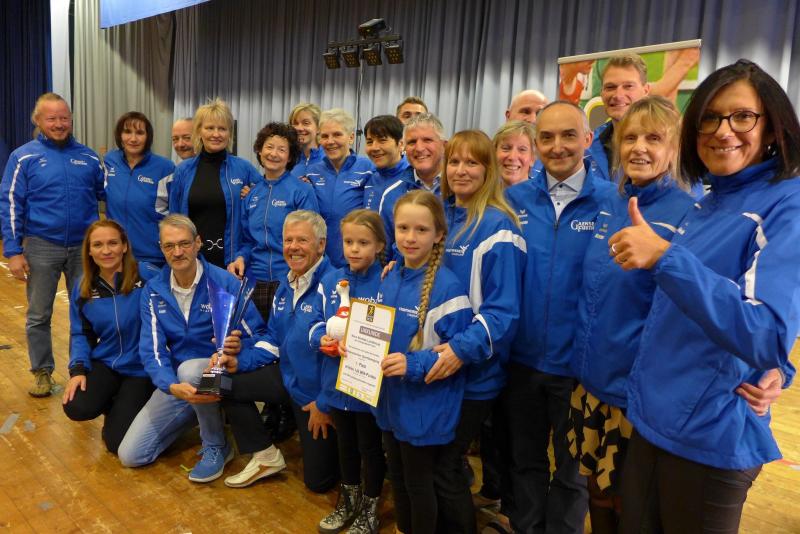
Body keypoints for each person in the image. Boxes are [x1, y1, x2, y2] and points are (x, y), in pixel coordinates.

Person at [616, 60, 800, 533]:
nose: (723, 131)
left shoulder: (787, 204)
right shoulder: (710, 200)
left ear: (773, 127)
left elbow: (767, 332)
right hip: (655, 417)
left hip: (709, 436)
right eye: (710, 118)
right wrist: (778, 369)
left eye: (742, 117)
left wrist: (665, 258)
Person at [566, 96, 695, 534]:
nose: (639, 147)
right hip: (592, 381)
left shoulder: (688, 213)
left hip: (635, 395)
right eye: (630, 138)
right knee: (595, 489)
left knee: (629, 502)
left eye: (653, 138)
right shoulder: (613, 201)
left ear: (675, 147)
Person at [505, 101, 616, 534]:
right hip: (522, 360)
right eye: (547, 137)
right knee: (525, 461)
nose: (557, 146)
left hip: (578, 367)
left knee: (572, 471)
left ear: (588, 139)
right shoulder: (513, 200)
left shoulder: (613, 202)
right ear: (535, 144)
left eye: (569, 135)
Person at [118, 214, 267, 484]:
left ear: (198, 243)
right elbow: (152, 351)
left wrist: (236, 349)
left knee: (190, 369)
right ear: (161, 249)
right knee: (131, 455)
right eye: (169, 246)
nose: (177, 252)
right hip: (181, 384)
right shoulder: (154, 291)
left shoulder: (224, 283)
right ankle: (199, 414)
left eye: (184, 244)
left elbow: (258, 336)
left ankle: (216, 444)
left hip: (220, 376)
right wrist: (171, 386)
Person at [435, 130, 526, 533]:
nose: (461, 170)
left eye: (471, 162)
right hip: (433, 367)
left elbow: (503, 312)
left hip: (473, 373)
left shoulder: (499, 227)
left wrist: (459, 351)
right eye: (454, 161)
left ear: (488, 170)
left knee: (445, 463)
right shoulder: (439, 217)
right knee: (434, 461)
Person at [217, 210, 340, 493]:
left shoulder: (335, 286)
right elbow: (273, 339)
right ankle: (265, 456)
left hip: (318, 396)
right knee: (221, 381)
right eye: (288, 240)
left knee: (319, 483)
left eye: (302, 240)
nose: (293, 247)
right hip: (289, 381)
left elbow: (343, 357)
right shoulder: (285, 284)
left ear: (321, 245)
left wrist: (324, 403)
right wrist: (239, 361)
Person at [375, 190, 473, 534]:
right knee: (398, 478)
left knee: (419, 484)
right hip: (391, 402)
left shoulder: (448, 289)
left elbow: (454, 356)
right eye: (403, 228)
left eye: (421, 230)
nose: (410, 238)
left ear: (439, 235)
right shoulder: (390, 276)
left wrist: (412, 365)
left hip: (425, 408)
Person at [0, 92, 105, 397]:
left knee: (85, 311)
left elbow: (108, 195)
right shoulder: (23, 157)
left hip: (84, 249)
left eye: (64, 118)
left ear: (71, 119)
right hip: (41, 245)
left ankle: (81, 370)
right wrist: (13, 251)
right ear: (38, 120)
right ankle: (42, 372)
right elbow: (10, 203)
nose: (59, 124)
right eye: (52, 118)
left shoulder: (88, 157)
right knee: (39, 315)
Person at [311, 209, 387, 534]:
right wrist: (322, 339)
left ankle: (370, 507)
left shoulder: (387, 281)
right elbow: (315, 323)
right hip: (336, 383)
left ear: (380, 245)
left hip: (368, 388)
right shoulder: (330, 281)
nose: (354, 249)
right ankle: (349, 500)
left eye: (363, 243)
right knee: (346, 446)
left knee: (370, 447)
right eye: (348, 242)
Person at [62, 220, 157, 455]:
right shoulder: (83, 287)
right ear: (89, 251)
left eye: (113, 243)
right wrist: (78, 370)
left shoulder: (147, 275)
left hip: (142, 370)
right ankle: (118, 405)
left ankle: (136, 405)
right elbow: (81, 333)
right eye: (98, 245)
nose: (106, 251)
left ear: (124, 246)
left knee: (116, 443)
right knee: (76, 405)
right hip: (108, 363)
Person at [229, 121, 319, 321]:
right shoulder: (252, 195)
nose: (274, 154)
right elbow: (247, 240)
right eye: (269, 147)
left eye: (281, 149)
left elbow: (312, 240)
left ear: (290, 157)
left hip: (290, 280)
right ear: (260, 151)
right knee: (257, 334)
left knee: (284, 335)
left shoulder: (301, 191)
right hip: (256, 281)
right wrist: (240, 258)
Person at [168, 98, 261, 268]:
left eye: (222, 129)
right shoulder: (183, 171)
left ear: (229, 133)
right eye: (210, 128)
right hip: (192, 263)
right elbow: (174, 220)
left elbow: (263, 209)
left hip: (233, 264)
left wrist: (252, 197)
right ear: (199, 131)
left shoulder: (244, 169)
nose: (216, 134)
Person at [104, 111, 175, 267]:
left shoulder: (165, 168)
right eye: (127, 132)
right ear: (120, 135)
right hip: (115, 254)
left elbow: (176, 213)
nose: (133, 138)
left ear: (148, 136)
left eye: (140, 133)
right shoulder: (110, 161)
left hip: (152, 256)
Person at [306, 108, 375, 268]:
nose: (330, 141)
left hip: (357, 261)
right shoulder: (312, 172)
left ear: (351, 137)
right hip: (321, 263)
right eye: (325, 136)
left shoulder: (368, 169)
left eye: (337, 134)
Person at [377, 113, 446, 258]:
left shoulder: (460, 190)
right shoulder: (392, 195)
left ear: (444, 145)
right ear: (404, 147)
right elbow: (384, 254)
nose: (419, 148)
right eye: (412, 142)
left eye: (427, 140)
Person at [587, 54, 650, 181]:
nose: (618, 95)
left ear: (646, 91)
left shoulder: (669, 146)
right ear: (602, 93)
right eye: (610, 87)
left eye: (628, 86)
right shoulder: (588, 146)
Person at [363, 115, 411, 212]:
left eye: (382, 140)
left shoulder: (413, 180)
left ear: (401, 144)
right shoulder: (369, 178)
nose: (374, 148)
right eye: (369, 142)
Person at [494, 120, 536, 186]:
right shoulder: (483, 192)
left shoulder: (543, 193)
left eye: (522, 150)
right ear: (494, 153)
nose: (512, 157)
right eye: (506, 148)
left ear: (532, 159)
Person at [288, 102, 325, 180]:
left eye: (306, 123)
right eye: (295, 123)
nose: (299, 128)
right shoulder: (287, 159)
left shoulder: (329, 159)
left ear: (318, 128)